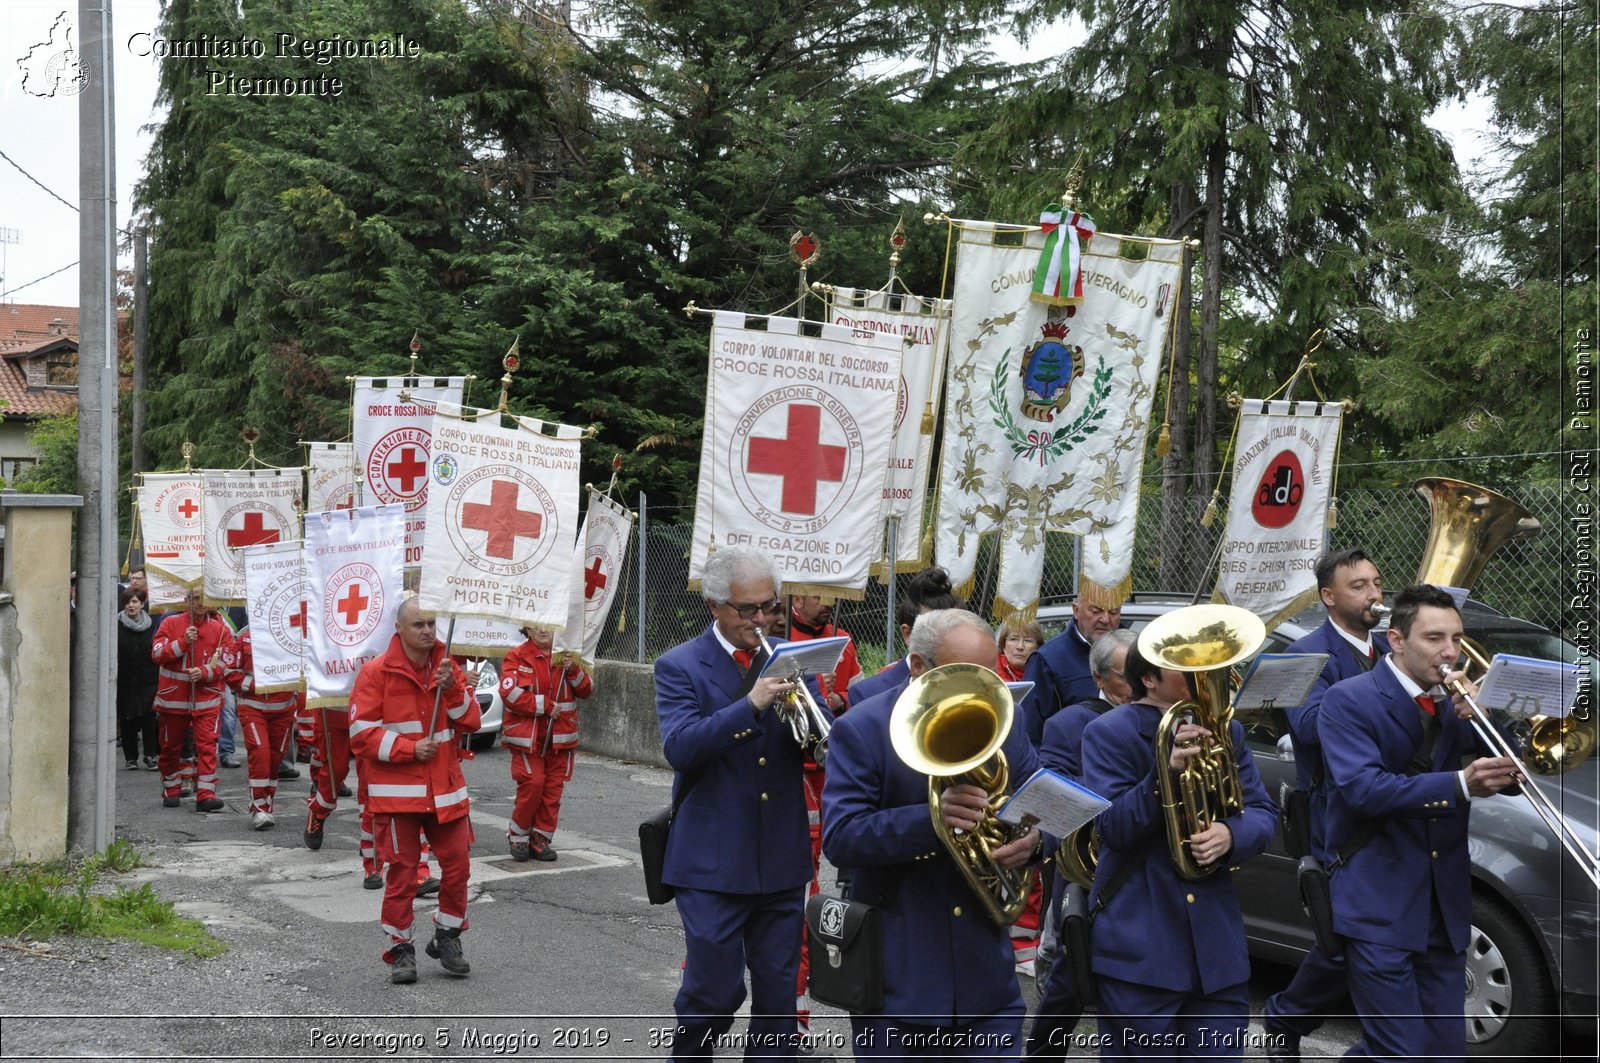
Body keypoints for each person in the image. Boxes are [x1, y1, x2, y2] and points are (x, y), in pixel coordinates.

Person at [822, 608, 1045, 1060]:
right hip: (900, 981)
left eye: (988, 673)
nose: (983, 689)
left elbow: (1042, 803)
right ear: (919, 666)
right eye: (963, 674)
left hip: (986, 979)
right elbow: (841, 837)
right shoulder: (862, 728)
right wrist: (933, 821)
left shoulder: (1007, 719)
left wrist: (1038, 841)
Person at [1317, 584, 1518, 1062]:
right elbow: (1364, 791)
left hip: (1443, 907)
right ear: (1397, 640)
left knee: (1443, 1050)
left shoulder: (1456, 702)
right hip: (1378, 905)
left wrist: (1484, 718)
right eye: (1434, 638)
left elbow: (1513, 780)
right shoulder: (1349, 700)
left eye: (1456, 638)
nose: (1450, 652)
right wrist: (1459, 785)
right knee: (1401, 1050)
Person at [1079, 638, 1277, 1060]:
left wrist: (1230, 834)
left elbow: (1262, 811)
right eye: (1186, 667)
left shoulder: (1228, 730)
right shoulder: (1107, 732)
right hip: (1140, 947)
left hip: (1215, 949)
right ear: (1148, 679)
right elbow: (1112, 828)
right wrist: (1163, 773)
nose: (1204, 674)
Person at [654, 545, 815, 1060]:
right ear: (714, 605)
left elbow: (809, 749)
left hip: (781, 857)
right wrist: (749, 706)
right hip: (712, 861)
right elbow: (681, 748)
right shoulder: (679, 666)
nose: (763, 619)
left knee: (777, 1001)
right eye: (749, 610)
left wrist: (822, 714)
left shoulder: (789, 657)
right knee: (714, 992)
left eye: (771, 605)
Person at [1262, 549, 1387, 1058]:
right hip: (1339, 822)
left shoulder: (1391, 648)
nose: (1374, 594)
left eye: (1377, 583)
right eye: (1358, 586)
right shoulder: (1305, 653)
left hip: (1393, 810)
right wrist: (1389, 684)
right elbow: (1311, 728)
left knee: (1380, 938)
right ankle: (1285, 1019)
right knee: (1342, 944)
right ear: (1329, 597)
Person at [348, 596, 480, 984]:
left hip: (445, 791)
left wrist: (454, 689)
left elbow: (469, 720)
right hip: (396, 794)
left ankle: (448, 935)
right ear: (399, 630)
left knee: (458, 868)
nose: (426, 631)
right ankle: (401, 949)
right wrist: (409, 749)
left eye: (430, 624)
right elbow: (361, 734)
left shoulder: (446, 667)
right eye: (418, 624)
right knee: (403, 875)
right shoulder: (375, 673)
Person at [1026, 628, 1136, 1061]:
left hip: (1139, 870)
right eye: (1129, 675)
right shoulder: (1067, 724)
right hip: (1087, 872)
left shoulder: (1167, 719)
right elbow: (1051, 802)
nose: (1140, 683)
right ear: (1100, 679)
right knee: (1069, 979)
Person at [785, 594, 862, 1040]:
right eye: (819, 595)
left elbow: (857, 698)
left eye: (833, 594)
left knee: (806, 895)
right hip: (792, 772)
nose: (827, 602)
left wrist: (837, 700)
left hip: (827, 775)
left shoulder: (844, 640)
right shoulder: (778, 639)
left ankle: (793, 1024)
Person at [499, 625, 593, 862]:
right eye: (537, 626)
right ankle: (518, 836)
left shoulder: (567, 655)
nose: (543, 630)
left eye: (548, 625)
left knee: (552, 790)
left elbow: (586, 690)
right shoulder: (516, 656)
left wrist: (573, 669)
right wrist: (545, 706)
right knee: (533, 783)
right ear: (527, 629)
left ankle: (540, 839)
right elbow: (509, 694)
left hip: (560, 739)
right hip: (528, 739)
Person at [150, 588, 236, 812]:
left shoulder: (220, 630)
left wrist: (206, 672)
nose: (199, 603)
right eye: (194, 598)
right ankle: (171, 787)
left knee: (207, 746)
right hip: (173, 701)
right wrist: (182, 642)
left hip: (207, 701)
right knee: (170, 747)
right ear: (186, 600)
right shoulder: (170, 624)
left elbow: (228, 663)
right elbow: (157, 656)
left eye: (203, 598)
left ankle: (206, 794)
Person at [849, 565, 963, 707]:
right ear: (907, 634)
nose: (946, 639)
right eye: (932, 631)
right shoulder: (868, 693)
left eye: (952, 629)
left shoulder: (969, 682)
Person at [226, 625, 302, 830]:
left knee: (275, 759)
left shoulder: (292, 636)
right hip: (252, 708)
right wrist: (256, 685)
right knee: (261, 754)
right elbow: (229, 671)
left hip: (283, 709)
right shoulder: (243, 639)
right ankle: (258, 808)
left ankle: (268, 805)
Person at [1021, 597, 1122, 746]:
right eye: (1096, 611)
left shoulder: (1132, 652)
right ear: (1076, 610)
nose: (1106, 619)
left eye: (1114, 612)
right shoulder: (1047, 660)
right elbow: (1030, 734)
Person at [115, 587, 161, 771]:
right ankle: (130, 757)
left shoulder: (153, 625)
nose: (131, 605)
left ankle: (150, 755)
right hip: (124, 680)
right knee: (127, 719)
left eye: (134, 601)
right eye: (127, 602)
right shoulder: (115, 625)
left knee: (149, 718)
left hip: (148, 680)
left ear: (142, 604)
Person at [996, 615, 1043, 684]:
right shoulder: (990, 670)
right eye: (1014, 639)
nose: (1020, 646)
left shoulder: (1045, 672)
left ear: (1037, 646)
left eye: (1028, 640)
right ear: (1003, 644)